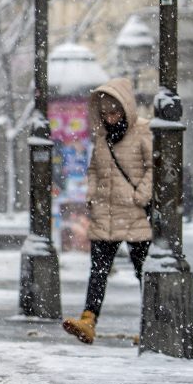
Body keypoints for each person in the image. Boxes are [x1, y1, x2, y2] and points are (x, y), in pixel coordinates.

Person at [62, 78, 152, 345]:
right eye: (106, 114)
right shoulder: (103, 138)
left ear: (125, 110)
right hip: (105, 214)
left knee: (142, 272)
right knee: (98, 270)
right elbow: (93, 169)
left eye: (115, 113)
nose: (111, 119)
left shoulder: (143, 131)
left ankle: (150, 325)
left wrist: (141, 195)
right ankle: (88, 321)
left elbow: (153, 168)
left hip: (134, 214)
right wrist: (91, 195)